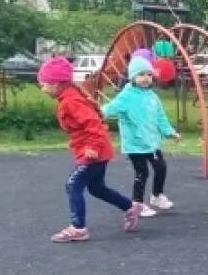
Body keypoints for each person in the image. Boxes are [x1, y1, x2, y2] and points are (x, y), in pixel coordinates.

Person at [37, 56, 141, 242]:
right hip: (95, 150)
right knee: (96, 188)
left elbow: (94, 124)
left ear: (56, 84)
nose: (42, 88)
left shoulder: (71, 101)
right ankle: (129, 207)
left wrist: (92, 146)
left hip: (94, 152)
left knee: (73, 184)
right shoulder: (68, 97)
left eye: (44, 84)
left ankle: (78, 228)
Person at [101, 56, 180, 217]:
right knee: (142, 173)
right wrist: (98, 113)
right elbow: (111, 107)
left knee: (161, 168)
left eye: (149, 75)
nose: (146, 78)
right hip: (135, 144)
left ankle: (157, 196)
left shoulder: (152, 96)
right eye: (141, 75)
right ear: (133, 77)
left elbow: (160, 117)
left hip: (151, 142)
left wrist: (169, 131)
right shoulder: (126, 96)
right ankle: (138, 204)